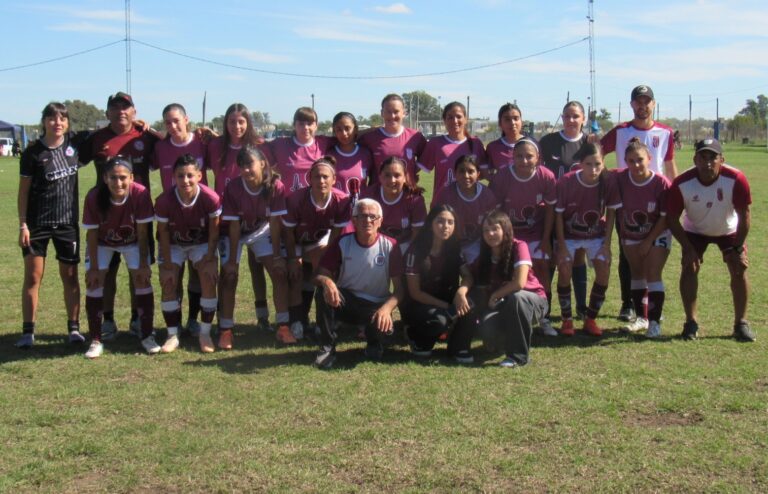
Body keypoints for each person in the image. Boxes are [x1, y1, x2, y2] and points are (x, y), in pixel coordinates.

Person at [78, 92, 159, 339]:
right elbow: (72, 159)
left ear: (134, 112)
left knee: (139, 271)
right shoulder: (96, 138)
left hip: (139, 215)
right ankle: (108, 320)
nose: (121, 111)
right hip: (105, 215)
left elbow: (172, 146)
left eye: (126, 107)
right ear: (107, 113)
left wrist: (152, 128)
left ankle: (137, 318)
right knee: (107, 272)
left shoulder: (145, 136)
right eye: (115, 107)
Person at [601, 85, 677, 322]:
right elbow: (597, 154)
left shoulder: (665, 132)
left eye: (646, 101)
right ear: (632, 104)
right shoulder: (621, 131)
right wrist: (608, 179)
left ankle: (650, 307)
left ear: (653, 104)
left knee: (654, 255)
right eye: (638, 102)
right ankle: (628, 305)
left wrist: (677, 197)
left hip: (656, 200)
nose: (642, 106)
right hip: (627, 201)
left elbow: (669, 164)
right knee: (628, 255)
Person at [666, 138, 754, 342]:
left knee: (739, 268)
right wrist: (688, 248)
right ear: (694, 159)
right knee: (689, 266)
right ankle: (691, 322)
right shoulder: (682, 183)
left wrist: (738, 249)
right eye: (702, 157)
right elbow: (672, 218)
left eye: (713, 157)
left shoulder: (736, 178)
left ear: (722, 159)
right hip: (695, 230)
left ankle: (741, 323)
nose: (707, 163)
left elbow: (745, 215)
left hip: (729, 230)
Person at [15, 102, 88, 348]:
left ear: (67, 122)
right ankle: (28, 332)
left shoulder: (75, 145)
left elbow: (109, 131)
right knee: (33, 277)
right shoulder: (33, 153)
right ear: (44, 121)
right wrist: (23, 225)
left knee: (70, 277)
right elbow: (23, 192)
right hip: (37, 225)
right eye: (52, 118)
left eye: (62, 119)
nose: (58, 123)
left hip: (67, 223)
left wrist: (141, 125)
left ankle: (74, 329)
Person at [312, 198, 404, 369]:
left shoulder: (391, 246)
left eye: (372, 217)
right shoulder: (342, 242)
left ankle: (374, 343)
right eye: (362, 216)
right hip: (347, 301)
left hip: (375, 305)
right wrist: (327, 281)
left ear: (380, 221)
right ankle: (327, 347)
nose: (367, 220)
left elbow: (400, 290)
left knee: (382, 326)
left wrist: (387, 309)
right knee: (323, 292)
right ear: (354, 220)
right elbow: (319, 274)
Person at [82, 156, 157, 358]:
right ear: (105, 178)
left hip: (133, 242)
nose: (118, 182)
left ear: (131, 177)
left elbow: (143, 233)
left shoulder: (140, 194)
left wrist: (143, 264)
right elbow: (92, 234)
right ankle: (96, 339)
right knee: (94, 282)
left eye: (123, 177)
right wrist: (94, 268)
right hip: (102, 243)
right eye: (113, 177)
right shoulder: (94, 196)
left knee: (142, 279)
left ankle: (147, 335)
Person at [455, 210, 548, 368]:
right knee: (486, 326)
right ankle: (500, 341)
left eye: (495, 229)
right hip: (503, 305)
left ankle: (518, 357)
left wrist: (496, 294)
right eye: (486, 230)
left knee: (517, 297)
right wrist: (461, 291)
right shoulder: (484, 256)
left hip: (533, 301)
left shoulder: (519, 246)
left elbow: (519, 283)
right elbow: (470, 277)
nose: (490, 234)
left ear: (505, 229)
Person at [208, 103, 271, 333]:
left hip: (255, 218)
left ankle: (262, 315)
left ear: (248, 123)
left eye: (241, 121)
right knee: (227, 270)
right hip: (226, 219)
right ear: (225, 123)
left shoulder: (260, 146)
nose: (237, 126)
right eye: (232, 121)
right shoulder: (215, 146)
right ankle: (223, 320)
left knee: (258, 266)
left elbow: (269, 175)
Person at [219, 146, 290, 349]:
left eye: (250, 164)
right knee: (229, 276)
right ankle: (225, 330)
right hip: (233, 234)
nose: (246, 170)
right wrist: (232, 261)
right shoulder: (233, 187)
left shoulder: (275, 185)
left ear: (262, 163)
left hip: (260, 230)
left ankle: (283, 327)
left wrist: (277, 256)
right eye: (242, 166)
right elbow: (233, 226)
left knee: (279, 272)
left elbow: (275, 223)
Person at [489, 138, 557, 336]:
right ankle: (505, 313)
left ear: (538, 157)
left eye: (529, 156)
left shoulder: (545, 176)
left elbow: (551, 210)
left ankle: (544, 317)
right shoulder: (503, 176)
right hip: (510, 235)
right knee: (508, 273)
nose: (524, 160)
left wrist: (546, 239)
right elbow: (495, 210)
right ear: (512, 157)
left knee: (542, 268)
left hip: (536, 233)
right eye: (519, 156)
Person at [154, 154, 221, 353]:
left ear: (199, 176)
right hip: (173, 245)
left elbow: (214, 231)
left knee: (208, 277)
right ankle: (172, 335)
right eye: (180, 176)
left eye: (190, 175)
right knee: (168, 281)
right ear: (173, 177)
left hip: (201, 244)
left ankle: (205, 333)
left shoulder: (210, 198)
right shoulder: (164, 200)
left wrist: (210, 257)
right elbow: (163, 232)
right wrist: (167, 263)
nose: (185, 180)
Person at [282, 157, 351, 343]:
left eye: (325, 177)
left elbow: (335, 235)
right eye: (317, 177)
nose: (321, 181)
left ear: (334, 179)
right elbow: (287, 233)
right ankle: (297, 320)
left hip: (318, 239)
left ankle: (323, 321)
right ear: (309, 179)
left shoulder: (342, 200)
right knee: (295, 274)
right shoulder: (296, 200)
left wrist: (326, 261)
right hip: (294, 240)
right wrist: (293, 258)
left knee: (323, 271)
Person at [153, 103, 208, 336]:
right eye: (168, 122)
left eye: (176, 120)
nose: (173, 126)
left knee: (198, 274)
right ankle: (173, 325)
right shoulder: (160, 147)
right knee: (172, 274)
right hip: (171, 218)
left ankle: (193, 320)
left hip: (199, 218)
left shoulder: (203, 142)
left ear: (187, 119)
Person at [554, 143, 619, 337]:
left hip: (596, 236)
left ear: (603, 162)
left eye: (597, 164)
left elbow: (611, 212)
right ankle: (567, 320)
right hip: (569, 236)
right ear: (580, 164)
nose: (593, 169)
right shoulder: (566, 182)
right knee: (565, 269)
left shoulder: (608, 181)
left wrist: (607, 245)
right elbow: (558, 216)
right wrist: (562, 246)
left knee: (604, 268)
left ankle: (590, 319)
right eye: (588, 164)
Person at [614, 138, 671, 337]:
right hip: (630, 234)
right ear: (625, 162)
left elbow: (665, 217)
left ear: (649, 158)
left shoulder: (660, 183)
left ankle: (654, 322)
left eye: (640, 159)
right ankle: (642, 318)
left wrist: (648, 241)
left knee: (653, 273)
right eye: (631, 161)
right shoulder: (620, 178)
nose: (636, 165)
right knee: (637, 274)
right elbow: (598, 171)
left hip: (657, 233)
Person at [402, 205, 474, 362]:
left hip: (446, 298)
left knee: (471, 304)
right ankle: (417, 339)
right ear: (430, 224)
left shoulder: (455, 248)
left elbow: (467, 276)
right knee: (439, 320)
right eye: (440, 221)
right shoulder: (415, 251)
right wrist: (446, 307)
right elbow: (415, 292)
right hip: (419, 304)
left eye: (450, 222)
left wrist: (461, 292)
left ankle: (459, 347)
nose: (445, 226)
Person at [540, 101, 591, 318]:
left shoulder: (589, 142)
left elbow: (598, 171)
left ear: (583, 119)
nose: (571, 120)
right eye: (567, 116)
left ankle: (581, 306)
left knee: (578, 256)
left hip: (579, 209)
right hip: (553, 208)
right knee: (552, 257)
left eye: (576, 116)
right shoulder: (548, 141)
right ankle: (545, 306)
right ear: (562, 118)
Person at [431, 154, 498, 263]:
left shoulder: (487, 195)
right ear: (455, 174)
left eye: (471, 171)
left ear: (478, 174)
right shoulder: (445, 194)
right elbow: (433, 220)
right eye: (461, 171)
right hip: (449, 243)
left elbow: (493, 224)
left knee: (478, 268)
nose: (466, 176)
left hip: (475, 243)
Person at [419, 101, 487, 202]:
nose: (455, 121)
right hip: (442, 204)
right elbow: (416, 170)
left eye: (459, 117)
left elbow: (484, 174)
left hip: (470, 204)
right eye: (450, 117)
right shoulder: (435, 143)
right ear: (444, 120)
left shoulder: (475, 143)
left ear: (466, 119)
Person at [359, 156, 427, 253]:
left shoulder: (415, 200)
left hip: (404, 246)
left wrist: (406, 255)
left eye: (397, 175)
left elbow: (418, 233)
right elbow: (361, 227)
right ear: (380, 177)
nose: (392, 180)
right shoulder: (369, 195)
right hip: (374, 245)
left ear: (405, 177)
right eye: (387, 175)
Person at [358, 93, 426, 186]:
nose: (392, 116)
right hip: (378, 193)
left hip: (407, 193)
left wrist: (411, 172)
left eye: (396, 111)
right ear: (382, 113)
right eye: (388, 112)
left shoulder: (415, 137)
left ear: (404, 113)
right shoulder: (369, 137)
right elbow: (346, 138)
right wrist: (370, 129)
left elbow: (426, 157)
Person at [265, 106, 332, 193]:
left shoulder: (323, 142)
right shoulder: (281, 144)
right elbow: (258, 145)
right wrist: (275, 166)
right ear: (294, 125)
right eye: (301, 124)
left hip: (316, 199)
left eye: (309, 124)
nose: (306, 127)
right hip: (289, 199)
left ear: (316, 126)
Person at [326, 112, 372, 199]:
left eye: (347, 128)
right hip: (337, 206)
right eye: (339, 129)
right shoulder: (329, 156)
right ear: (334, 131)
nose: (344, 133)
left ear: (355, 129)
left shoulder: (366, 154)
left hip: (361, 206)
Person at [485, 102, 528, 173]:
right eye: (507, 119)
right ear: (500, 123)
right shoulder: (492, 148)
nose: (512, 123)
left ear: (521, 122)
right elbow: (487, 173)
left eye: (516, 118)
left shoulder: (532, 145)